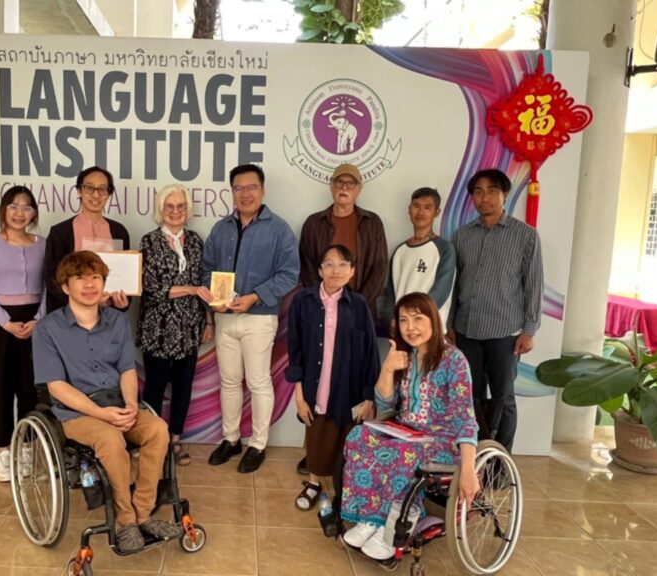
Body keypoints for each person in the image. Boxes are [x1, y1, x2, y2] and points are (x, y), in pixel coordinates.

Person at [32, 251, 183, 552]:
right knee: (110, 439)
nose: (90, 285)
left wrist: (130, 405)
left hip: (119, 403)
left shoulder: (117, 321)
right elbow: (56, 386)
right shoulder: (48, 329)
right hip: (77, 411)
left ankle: (143, 513)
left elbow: (127, 369)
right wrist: (101, 414)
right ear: (65, 286)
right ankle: (125, 520)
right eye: (80, 278)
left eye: (96, 277)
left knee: (158, 430)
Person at [341, 293, 480, 561]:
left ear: (434, 320)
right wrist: (387, 368)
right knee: (359, 436)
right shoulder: (406, 356)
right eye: (403, 320)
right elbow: (385, 404)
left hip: (442, 441)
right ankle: (370, 518)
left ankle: (392, 528)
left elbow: (465, 417)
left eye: (417, 319)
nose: (410, 327)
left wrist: (469, 468)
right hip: (406, 431)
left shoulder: (454, 360)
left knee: (399, 454)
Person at [202, 164, 300, 473]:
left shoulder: (279, 229)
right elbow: (206, 269)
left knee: (258, 382)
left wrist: (255, 296)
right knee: (229, 381)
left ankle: (258, 444)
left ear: (263, 190)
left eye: (251, 187)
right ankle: (231, 439)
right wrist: (214, 299)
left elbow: (289, 274)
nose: (245, 194)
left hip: (259, 318)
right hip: (225, 318)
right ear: (232, 192)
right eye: (239, 188)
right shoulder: (220, 229)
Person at [449, 169, 543, 452]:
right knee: (471, 398)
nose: (485, 198)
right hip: (467, 329)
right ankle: (474, 456)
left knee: (504, 398)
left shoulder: (525, 236)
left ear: (505, 195)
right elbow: (455, 283)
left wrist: (529, 330)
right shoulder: (462, 236)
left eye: (492, 191)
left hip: (505, 332)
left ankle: (500, 460)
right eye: (478, 192)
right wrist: (450, 325)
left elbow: (533, 284)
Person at [286, 245, 379, 512]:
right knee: (317, 434)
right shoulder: (303, 301)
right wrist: (299, 396)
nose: (335, 270)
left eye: (342, 265)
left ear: (352, 271)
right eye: (329, 264)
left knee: (345, 439)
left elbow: (370, 352)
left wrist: (368, 398)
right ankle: (314, 483)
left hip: (348, 387)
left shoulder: (359, 305)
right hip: (315, 385)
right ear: (320, 270)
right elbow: (295, 350)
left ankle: (344, 491)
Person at [137, 184, 214, 466]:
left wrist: (209, 320)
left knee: (183, 387)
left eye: (180, 206)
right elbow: (151, 288)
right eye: (169, 206)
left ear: (187, 210)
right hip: (157, 329)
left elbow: (204, 284)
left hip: (189, 328)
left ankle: (176, 440)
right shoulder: (149, 241)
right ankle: (153, 443)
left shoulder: (195, 242)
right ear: (161, 209)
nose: (175, 211)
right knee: (155, 389)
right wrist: (190, 289)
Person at [0, 185, 45, 482]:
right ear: (4, 210)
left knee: (30, 387)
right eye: (14, 206)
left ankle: (26, 446)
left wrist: (38, 319)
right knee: (0, 386)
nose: (20, 213)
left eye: (27, 207)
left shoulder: (42, 244)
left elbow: (48, 287)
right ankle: (3, 450)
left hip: (34, 322)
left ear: (34, 213)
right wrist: (5, 322)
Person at [298, 164, 388, 317]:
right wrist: (325, 301)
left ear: (359, 189)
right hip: (321, 309)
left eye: (351, 183)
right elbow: (307, 269)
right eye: (339, 182)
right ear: (331, 186)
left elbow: (379, 268)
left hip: (361, 309)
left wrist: (358, 303)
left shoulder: (372, 223)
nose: (344, 187)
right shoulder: (313, 223)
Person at [43, 166, 130, 314]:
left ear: (109, 194)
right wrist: (84, 300)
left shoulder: (119, 231)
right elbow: (51, 278)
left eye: (102, 189)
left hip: (108, 316)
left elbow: (126, 274)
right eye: (89, 188)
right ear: (79, 191)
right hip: (69, 316)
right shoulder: (60, 232)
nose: (96, 195)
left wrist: (122, 301)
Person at [380, 187, 456, 328]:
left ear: (437, 212)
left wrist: (414, 319)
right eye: (416, 206)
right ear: (409, 210)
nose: (420, 212)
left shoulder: (445, 249)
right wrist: (392, 318)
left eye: (427, 207)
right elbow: (390, 292)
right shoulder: (400, 250)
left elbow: (441, 291)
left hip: (430, 328)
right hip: (402, 328)